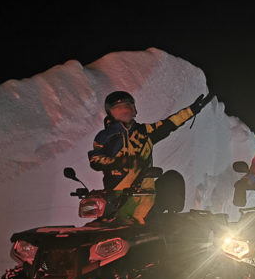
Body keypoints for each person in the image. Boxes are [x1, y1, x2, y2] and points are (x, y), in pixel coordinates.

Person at [88, 90, 214, 223]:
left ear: (134, 110)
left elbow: (170, 123)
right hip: (116, 197)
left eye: (127, 107)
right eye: (118, 109)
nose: (124, 111)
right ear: (111, 113)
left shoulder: (146, 132)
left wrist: (192, 110)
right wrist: (120, 162)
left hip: (146, 195)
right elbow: (95, 160)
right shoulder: (104, 137)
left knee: (149, 230)